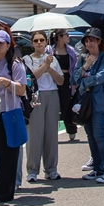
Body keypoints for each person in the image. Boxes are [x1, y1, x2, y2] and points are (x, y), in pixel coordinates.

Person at [71, 28, 104, 183]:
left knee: (100, 135)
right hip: (86, 103)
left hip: (101, 102)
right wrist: (85, 67)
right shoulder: (84, 57)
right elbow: (73, 79)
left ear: (99, 41)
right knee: (91, 136)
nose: (89, 43)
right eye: (87, 40)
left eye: (92, 40)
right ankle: (98, 168)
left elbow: (101, 77)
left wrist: (84, 80)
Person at [0, 30, 26, 202]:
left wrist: (7, 83)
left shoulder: (15, 64)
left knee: (8, 154)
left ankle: (5, 192)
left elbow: (22, 89)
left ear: (8, 45)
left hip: (8, 113)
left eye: (0, 43)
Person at [23, 30, 64, 182]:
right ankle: (32, 170)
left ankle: (51, 168)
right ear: (32, 43)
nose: (39, 43)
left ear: (46, 42)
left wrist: (50, 67)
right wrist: (44, 66)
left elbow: (60, 81)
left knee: (51, 133)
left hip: (52, 94)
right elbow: (31, 78)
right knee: (35, 134)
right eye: (36, 40)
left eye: (42, 40)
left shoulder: (53, 59)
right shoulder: (27, 59)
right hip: (36, 96)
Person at [48, 28, 78, 141]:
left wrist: (74, 82)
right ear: (60, 37)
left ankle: (71, 129)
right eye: (66, 35)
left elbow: (74, 67)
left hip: (66, 79)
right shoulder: (50, 50)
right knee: (53, 106)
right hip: (52, 79)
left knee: (66, 106)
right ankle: (51, 132)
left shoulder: (70, 50)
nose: (68, 37)